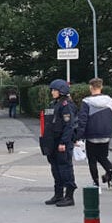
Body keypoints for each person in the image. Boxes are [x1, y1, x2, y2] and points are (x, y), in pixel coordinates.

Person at [75, 78, 112, 191]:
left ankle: (96, 184)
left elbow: (82, 120)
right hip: (106, 134)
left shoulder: (86, 102)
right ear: (101, 87)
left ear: (90, 87)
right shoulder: (109, 100)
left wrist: (78, 136)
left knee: (92, 160)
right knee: (103, 157)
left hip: (91, 134)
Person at [41, 79, 78, 207]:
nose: (52, 92)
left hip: (62, 141)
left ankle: (69, 196)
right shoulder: (54, 104)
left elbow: (69, 126)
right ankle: (58, 195)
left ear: (61, 91)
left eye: (54, 90)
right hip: (52, 141)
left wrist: (63, 142)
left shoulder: (66, 105)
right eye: (52, 90)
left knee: (65, 168)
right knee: (55, 169)